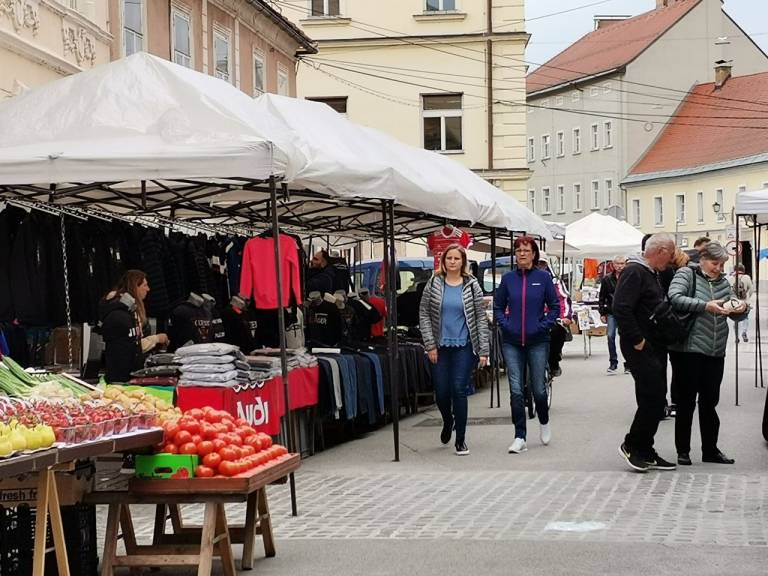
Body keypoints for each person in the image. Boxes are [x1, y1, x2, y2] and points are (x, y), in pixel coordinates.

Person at [668, 242, 746, 466]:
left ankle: (710, 450)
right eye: (714, 263)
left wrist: (741, 309)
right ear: (702, 260)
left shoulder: (724, 282)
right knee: (686, 402)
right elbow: (674, 297)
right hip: (689, 349)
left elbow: (732, 307)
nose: (718, 268)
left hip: (715, 350)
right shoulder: (686, 274)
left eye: (721, 265)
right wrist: (705, 305)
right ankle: (683, 450)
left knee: (710, 402)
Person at [613, 233, 677, 472]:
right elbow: (621, 307)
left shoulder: (650, 273)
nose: (671, 260)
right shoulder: (634, 271)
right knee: (654, 396)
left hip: (652, 343)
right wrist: (637, 339)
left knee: (655, 397)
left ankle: (645, 449)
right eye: (670, 254)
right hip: (639, 345)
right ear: (660, 251)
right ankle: (632, 445)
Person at [419, 244, 489, 456]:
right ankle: (448, 420)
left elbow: (480, 318)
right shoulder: (434, 283)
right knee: (441, 391)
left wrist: (483, 350)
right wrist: (430, 345)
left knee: (459, 389)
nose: (452, 262)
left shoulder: (472, 285)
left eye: (456, 258)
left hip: (464, 346)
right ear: (443, 261)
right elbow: (424, 313)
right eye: (449, 258)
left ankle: (461, 439)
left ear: (463, 261)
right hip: (440, 347)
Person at [494, 237, 560, 454]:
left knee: (538, 389)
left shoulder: (543, 278)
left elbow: (554, 306)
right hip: (512, 341)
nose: (522, 254)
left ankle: (544, 421)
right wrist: (506, 324)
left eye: (526, 250)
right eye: (518, 251)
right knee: (515, 390)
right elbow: (498, 307)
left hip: (537, 341)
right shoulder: (508, 279)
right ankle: (519, 436)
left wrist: (543, 325)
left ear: (533, 254)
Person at [99, 270, 169, 384]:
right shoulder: (121, 315)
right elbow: (134, 346)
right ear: (135, 286)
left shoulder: (126, 310)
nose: (148, 289)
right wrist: (156, 338)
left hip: (126, 375)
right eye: (145, 285)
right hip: (122, 379)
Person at [537, 259, 572, 378]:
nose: (540, 266)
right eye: (537, 263)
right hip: (532, 318)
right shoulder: (524, 279)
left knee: (558, 331)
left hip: (551, 317)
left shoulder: (555, 282)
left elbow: (563, 300)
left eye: (542, 263)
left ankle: (554, 362)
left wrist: (565, 317)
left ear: (546, 265)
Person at [599, 255, 628, 375]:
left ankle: (628, 363)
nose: (620, 266)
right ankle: (613, 363)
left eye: (622, 263)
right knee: (610, 336)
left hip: (626, 312)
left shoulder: (629, 277)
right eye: (618, 263)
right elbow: (602, 296)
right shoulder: (607, 279)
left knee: (626, 337)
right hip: (611, 311)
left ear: (625, 264)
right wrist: (602, 312)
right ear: (613, 265)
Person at [728, 264, 754, 343]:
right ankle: (744, 332)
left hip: (734, 303)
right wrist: (747, 297)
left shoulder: (730, 278)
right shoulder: (746, 277)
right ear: (743, 270)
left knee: (735, 320)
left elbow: (728, 291)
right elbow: (751, 289)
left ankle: (736, 337)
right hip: (744, 302)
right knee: (745, 318)